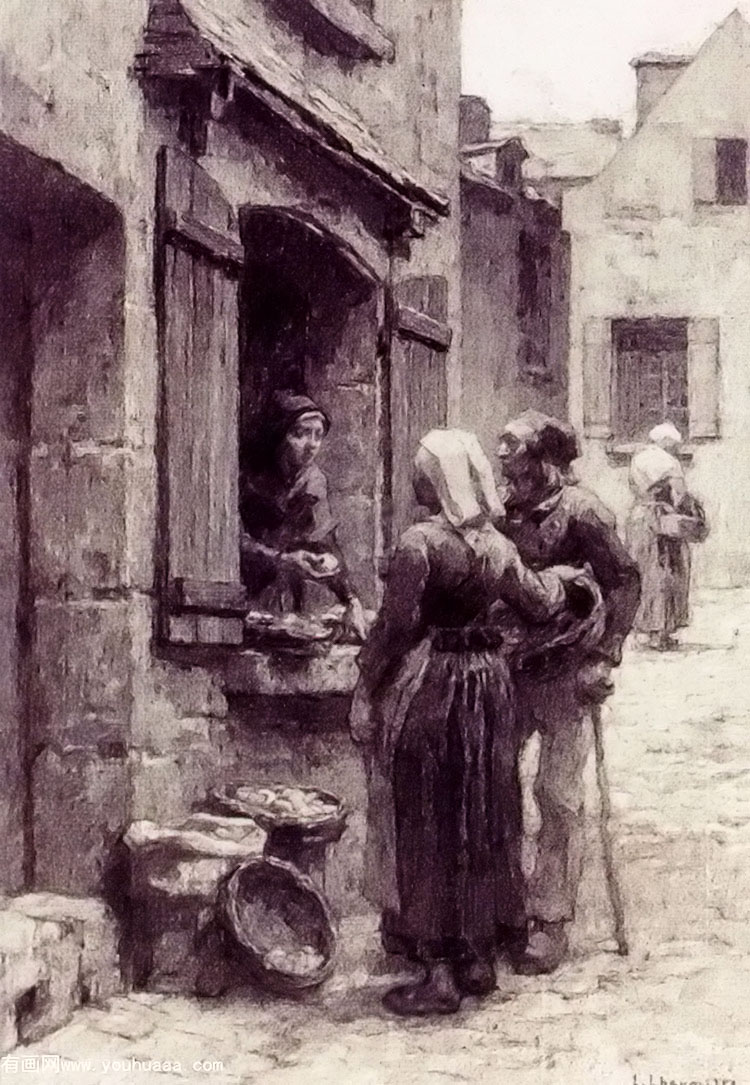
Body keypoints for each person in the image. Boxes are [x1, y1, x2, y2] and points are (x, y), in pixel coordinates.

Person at [349, 428, 587, 1016]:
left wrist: (363, 689)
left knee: (430, 814)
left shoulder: (418, 544)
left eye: (420, 472)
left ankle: (439, 974)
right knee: (484, 811)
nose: (414, 480)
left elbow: (395, 629)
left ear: (434, 480)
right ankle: (478, 957)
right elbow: (538, 602)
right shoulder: (497, 545)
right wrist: (573, 582)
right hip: (489, 683)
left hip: (433, 685)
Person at [496, 409, 641, 975]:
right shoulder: (503, 510)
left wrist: (605, 657)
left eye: (511, 445)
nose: (502, 454)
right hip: (510, 667)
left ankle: (550, 919)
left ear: (542, 458)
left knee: (556, 796)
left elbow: (625, 581)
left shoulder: (583, 512)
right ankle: (503, 910)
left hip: (565, 671)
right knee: (495, 784)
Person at [239, 390, 367, 640]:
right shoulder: (248, 478)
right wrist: (281, 559)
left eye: (318, 436)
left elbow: (324, 540)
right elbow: (230, 540)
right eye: (300, 434)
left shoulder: (313, 480)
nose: (312, 446)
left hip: (286, 602)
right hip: (244, 591)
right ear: (278, 435)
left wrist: (351, 599)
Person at [625, 423, 708, 651]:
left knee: (644, 572)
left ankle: (644, 629)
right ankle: (660, 633)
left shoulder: (638, 458)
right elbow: (680, 496)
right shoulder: (670, 464)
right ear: (668, 442)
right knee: (667, 573)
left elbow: (636, 489)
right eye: (674, 444)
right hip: (663, 521)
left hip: (639, 518)